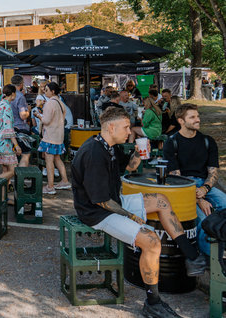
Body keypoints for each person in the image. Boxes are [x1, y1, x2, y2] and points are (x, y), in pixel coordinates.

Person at [71, 107, 207, 317]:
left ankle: (192, 257)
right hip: (97, 212)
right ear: (111, 126)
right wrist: (131, 216)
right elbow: (100, 201)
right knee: (151, 241)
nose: (129, 131)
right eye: (126, 127)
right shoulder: (93, 153)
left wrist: (137, 152)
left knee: (161, 200)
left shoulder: (109, 146)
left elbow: (131, 168)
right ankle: (153, 303)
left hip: (114, 201)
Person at [164, 103, 226, 256]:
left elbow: (213, 172)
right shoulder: (171, 142)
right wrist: (198, 199)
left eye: (197, 116)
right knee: (202, 218)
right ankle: (210, 259)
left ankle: (222, 248)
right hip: (183, 187)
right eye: (192, 117)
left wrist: (204, 189)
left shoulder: (207, 141)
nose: (197, 120)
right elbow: (176, 179)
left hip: (204, 184)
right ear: (181, 121)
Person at [37, 82, 71, 194]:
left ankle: (50, 186)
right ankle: (65, 181)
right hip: (58, 135)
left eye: (46, 90)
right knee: (57, 159)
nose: (44, 91)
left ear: (53, 91)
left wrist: (38, 114)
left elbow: (46, 120)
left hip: (50, 136)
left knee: (49, 161)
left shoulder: (50, 103)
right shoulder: (60, 103)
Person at [0, 84, 22, 183]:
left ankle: (3, 196)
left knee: (5, 169)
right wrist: (16, 145)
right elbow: (8, 129)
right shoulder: (7, 107)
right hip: (4, 142)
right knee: (12, 170)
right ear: (12, 94)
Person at [9, 75, 31, 167]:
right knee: (25, 154)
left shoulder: (6, 95)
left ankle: (10, 177)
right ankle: (20, 178)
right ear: (21, 84)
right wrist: (28, 111)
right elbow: (23, 115)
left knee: (11, 155)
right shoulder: (20, 96)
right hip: (20, 128)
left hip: (8, 128)